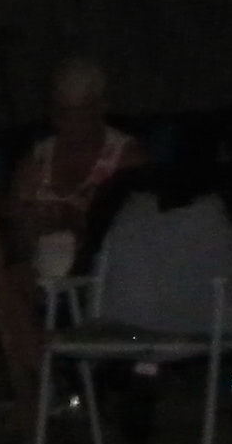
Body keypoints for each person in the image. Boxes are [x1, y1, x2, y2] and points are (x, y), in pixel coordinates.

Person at [7, 53, 141, 282]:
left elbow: (139, 240)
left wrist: (75, 222)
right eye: (62, 114)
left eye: (81, 115)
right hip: (38, 285)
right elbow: (9, 241)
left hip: (104, 283)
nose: (70, 125)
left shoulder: (127, 159)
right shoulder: (35, 161)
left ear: (101, 108)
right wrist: (25, 223)